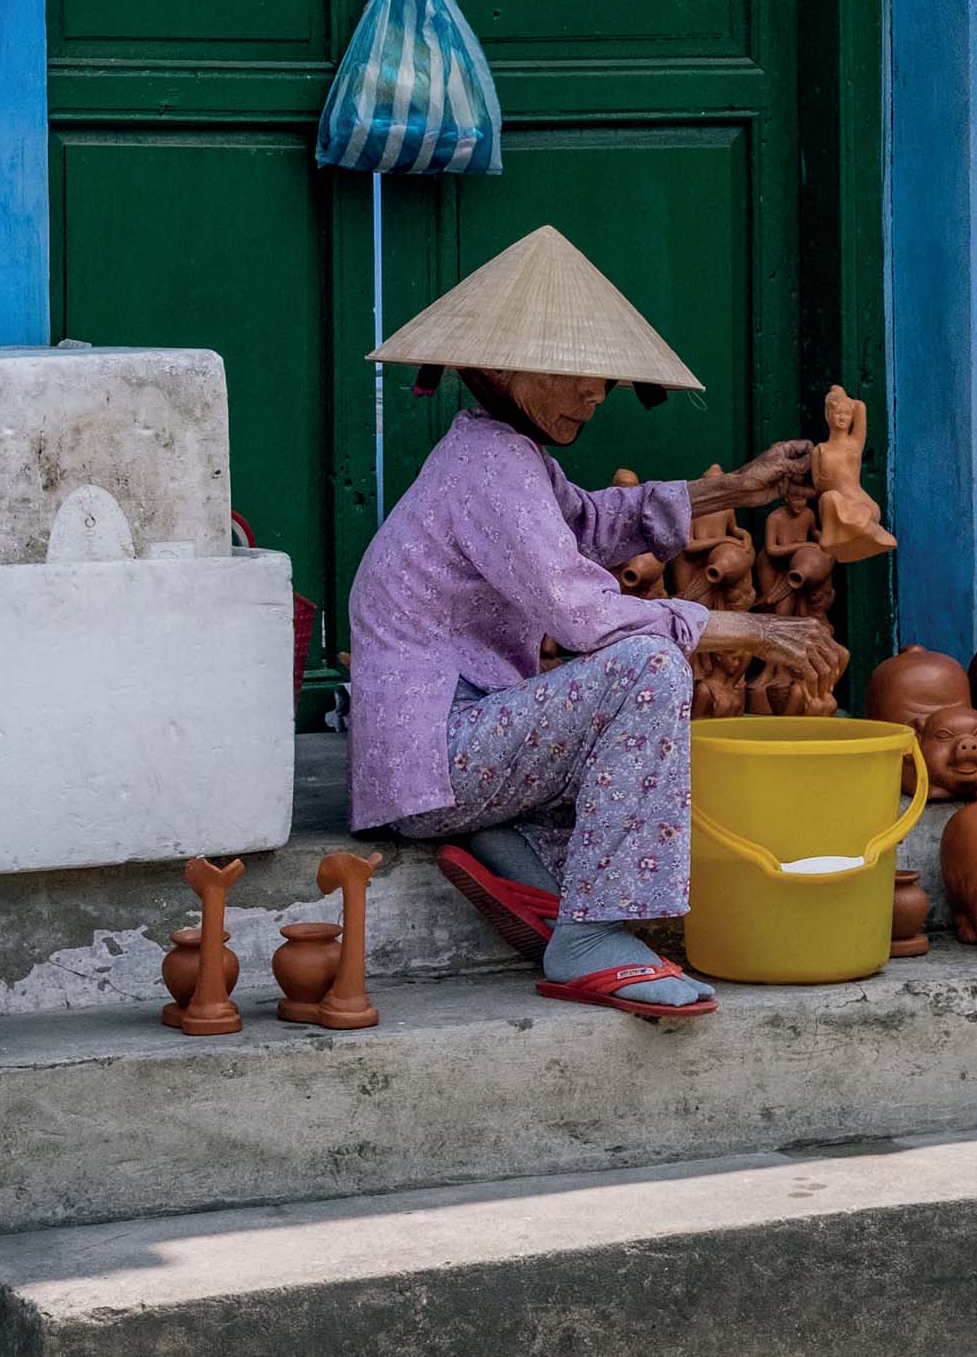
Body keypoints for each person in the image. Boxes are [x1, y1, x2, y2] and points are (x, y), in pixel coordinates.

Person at [348, 225, 845, 1021]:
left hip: (439, 757)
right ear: (505, 367)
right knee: (648, 667)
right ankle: (592, 936)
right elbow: (583, 613)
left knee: (627, 682)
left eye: (604, 383)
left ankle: (516, 854)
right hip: (436, 758)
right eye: (578, 376)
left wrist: (738, 488)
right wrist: (754, 631)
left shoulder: (504, 456)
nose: (593, 396)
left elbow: (591, 520)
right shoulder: (490, 467)